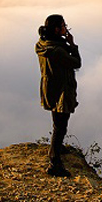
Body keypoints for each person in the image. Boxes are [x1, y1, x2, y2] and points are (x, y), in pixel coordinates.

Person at [36, 14, 82, 177]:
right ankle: (54, 162)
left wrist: (66, 43)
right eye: (63, 25)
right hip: (61, 89)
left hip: (50, 86)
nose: (66, 28)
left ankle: (58, 147)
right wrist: (73, 44)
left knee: (57, 121)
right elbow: (76, 63)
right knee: (61, 125)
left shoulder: (43, 43)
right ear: (56, 29)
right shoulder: (57, 51)